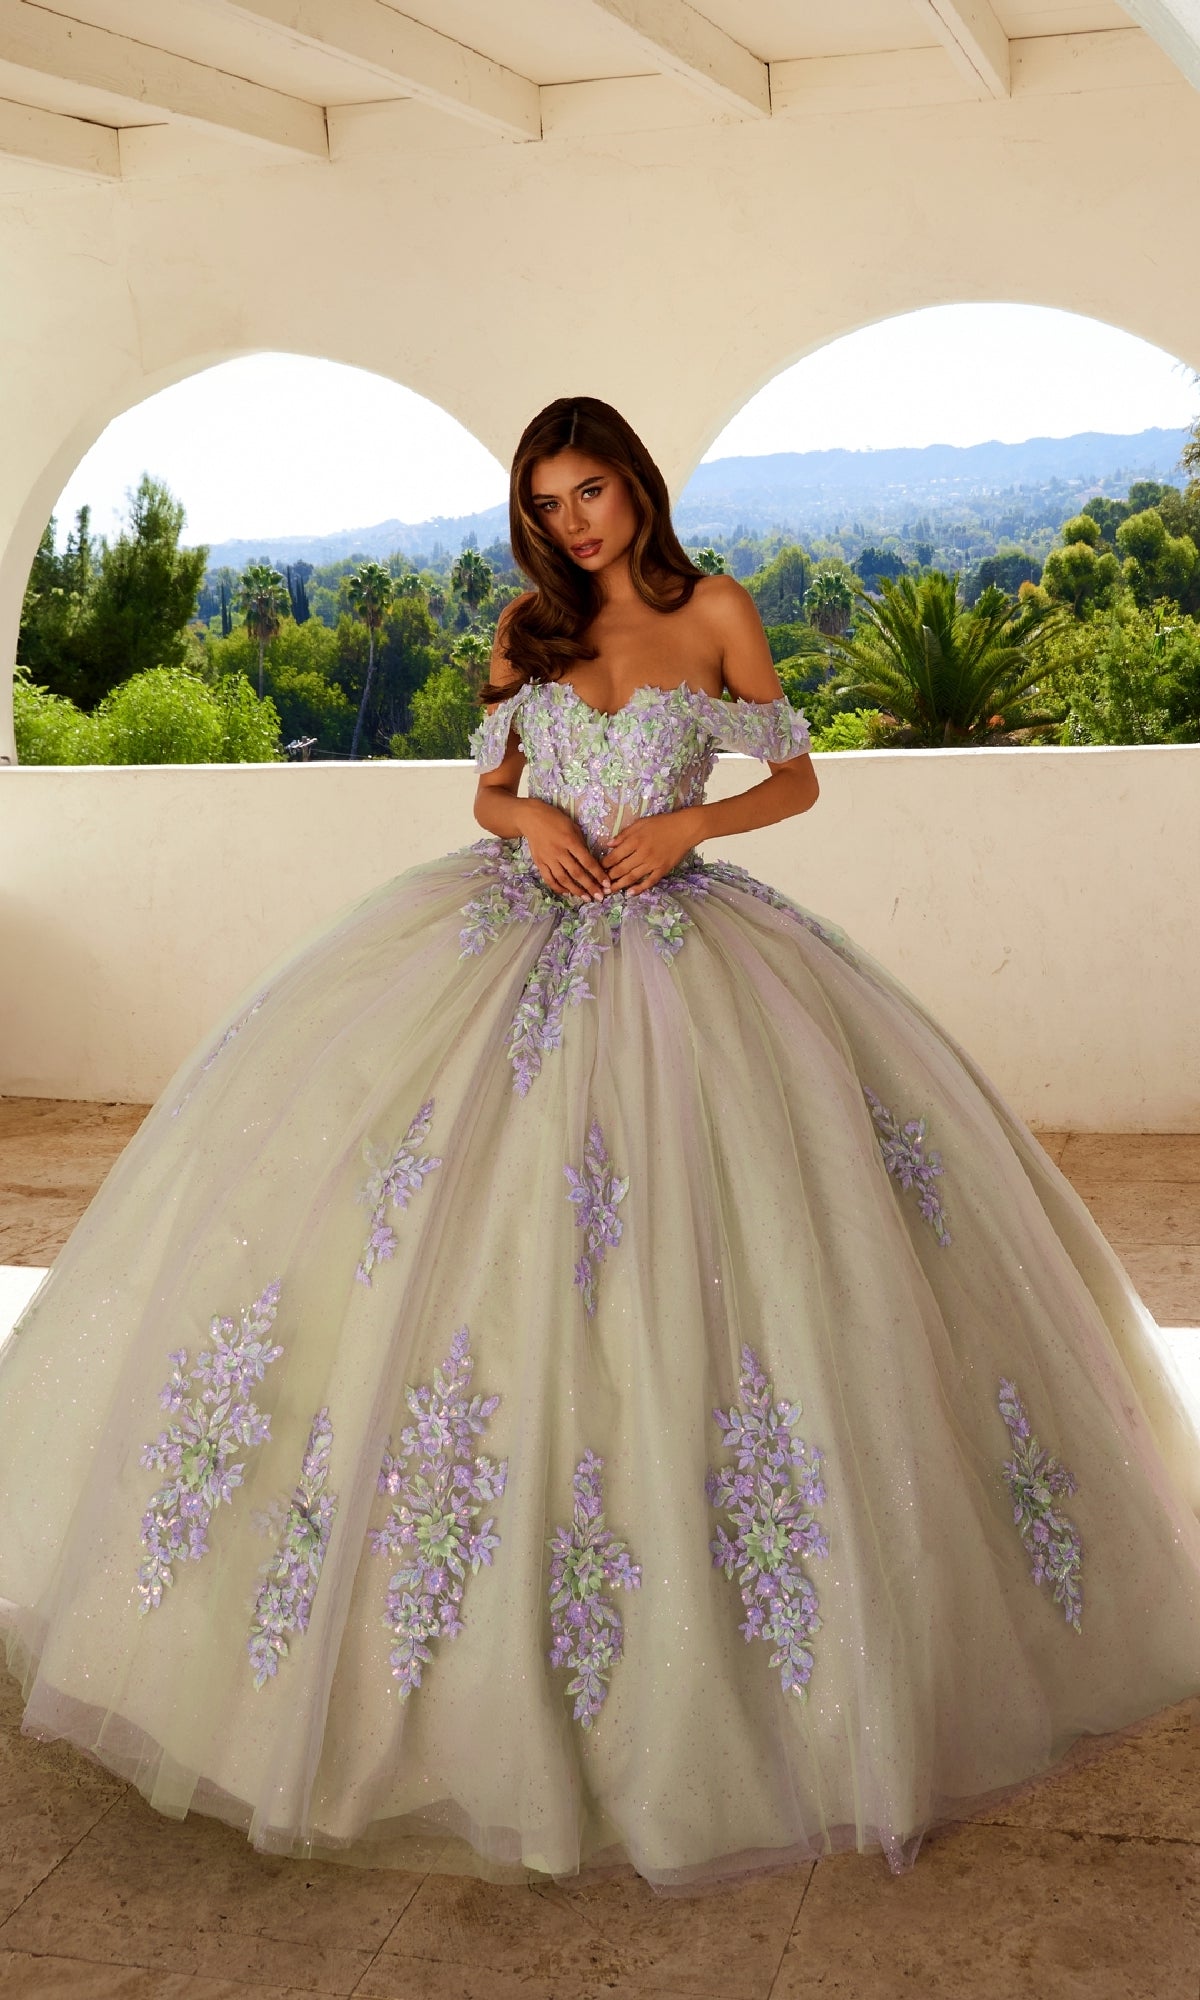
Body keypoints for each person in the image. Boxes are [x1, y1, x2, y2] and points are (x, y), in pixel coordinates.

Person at [1, 395, 1199, 1896]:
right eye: (551, 504)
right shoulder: (526, 628)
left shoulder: (717, 612)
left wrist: (688, 831)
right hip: (511, 934)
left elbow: (798, 774)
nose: (575, 524)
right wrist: (531, 824)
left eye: (593, 493)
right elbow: (486, 790)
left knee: (737, 1251)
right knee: (419, 1253)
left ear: (636, 482)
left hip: (686, 956)